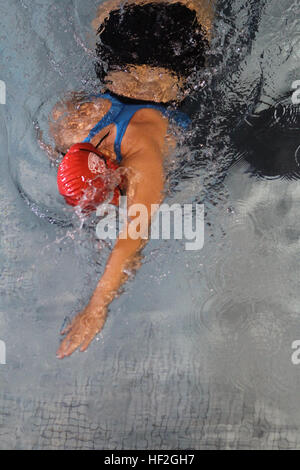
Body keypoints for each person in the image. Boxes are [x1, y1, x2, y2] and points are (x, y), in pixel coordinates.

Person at [43, 0, 214, 358]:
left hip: (177, 43)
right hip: (118, 39)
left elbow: (133, 238)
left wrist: (96, 308)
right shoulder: (71, 127)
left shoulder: (143, 155)